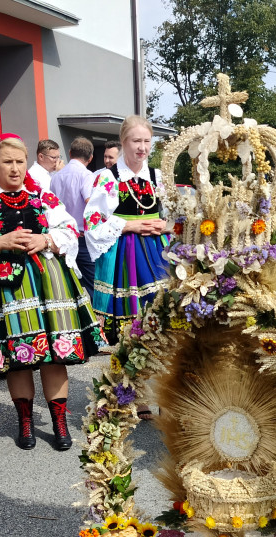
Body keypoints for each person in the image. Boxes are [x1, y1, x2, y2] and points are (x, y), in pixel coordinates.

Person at [0, 133, 102, 450]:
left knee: (54, 354)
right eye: (7, 162)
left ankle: (60, 424)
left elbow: (67, 229)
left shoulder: (43, 198)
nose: (15, 168)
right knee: (19, 357)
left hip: (48, 284)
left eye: (20, 162)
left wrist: (45, 240)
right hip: (3, 287)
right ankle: (25, 423)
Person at [84, 115, 170, 358]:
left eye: (147, 141)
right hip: (125, 252)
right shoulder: (108, 177)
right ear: (123, 142)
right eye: (136, 141)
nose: (142, 148)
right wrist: (130, 226)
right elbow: (92, 220)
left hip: (158, 249)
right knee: (131, 323)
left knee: (163, 312)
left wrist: (166, 225)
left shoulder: (157, 176)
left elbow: (177, 213)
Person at [51, 136, 96, 297]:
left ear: (70, 153)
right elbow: (90, 204)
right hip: (82, 237)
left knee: (68, 284)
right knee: (91, 284)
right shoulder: (86, 175)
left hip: (61, 237)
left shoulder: (56, 177)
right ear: (90, 158)